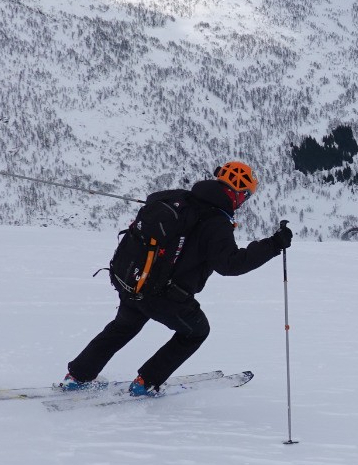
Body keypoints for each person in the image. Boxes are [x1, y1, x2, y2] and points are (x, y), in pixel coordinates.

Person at [60, 161, 292, 395]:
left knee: (123, 326)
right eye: (245, 196)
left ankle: (77, 376)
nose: (244, 202)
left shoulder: (179, 197)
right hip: (165, 295)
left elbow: (153, 200)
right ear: (237, 193)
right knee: (196, 332)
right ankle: (146, 383)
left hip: (134, 281)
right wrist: (274, 245)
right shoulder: (216, 222)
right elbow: (230, 264)